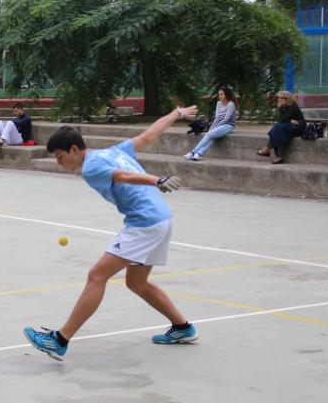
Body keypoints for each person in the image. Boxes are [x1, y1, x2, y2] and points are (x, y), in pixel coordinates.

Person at [23, 104, 200, 361]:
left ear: (74, 149)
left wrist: (157, 180)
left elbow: (125, 176)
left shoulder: (90, 169)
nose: (59, 163)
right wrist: (177, 114)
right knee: (136, 283)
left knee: (97, 275)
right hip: (161, 219)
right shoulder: (113, 151)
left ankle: (59, 340)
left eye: (60, 156)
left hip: (144, 223)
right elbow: (149, 135)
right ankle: (183, 328)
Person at [184, 86, 238, 161]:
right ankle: (198, 154)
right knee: (212, 135)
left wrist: (216, 127)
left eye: (221, 94)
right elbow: (217, 117)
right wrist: (212, 127)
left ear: (226, 94)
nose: (220, 96)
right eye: (219, 94)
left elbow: (227, 118)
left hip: (228, 126)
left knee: (209, 134)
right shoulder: (219, 103)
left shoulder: (231, 104)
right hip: (219, 125)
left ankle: (192, 152)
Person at [256, 91, 305, 164]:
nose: (279, 99)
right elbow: (280, 119)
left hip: (298, 127)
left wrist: (287, 119)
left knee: (277, 127)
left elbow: (282, 119)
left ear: (287, 98)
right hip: (289, 126)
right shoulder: (282, 106)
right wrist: (287, 117)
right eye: (278, 97)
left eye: (281, 98)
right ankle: (279, 157)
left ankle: (268, 149)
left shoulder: (293, 106)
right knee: (279, 132)